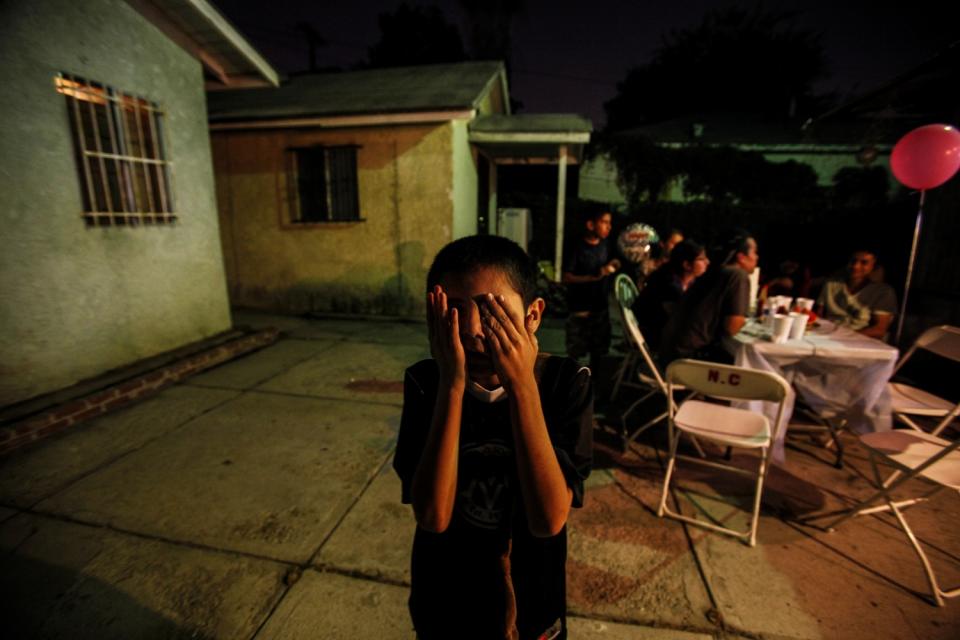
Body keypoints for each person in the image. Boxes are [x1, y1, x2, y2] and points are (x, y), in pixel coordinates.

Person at [393, 235, 593, 640]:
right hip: (445, 600)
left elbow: (549, 518)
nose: (472, 330)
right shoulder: (426, 382)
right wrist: (452, 382)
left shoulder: (564, 382)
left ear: (533, 315)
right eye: (454, 310)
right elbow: (432, 515)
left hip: (532, 604)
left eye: (490, 309)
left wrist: (521, 383)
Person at [659, 232, 759, 364]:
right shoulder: (737, 275)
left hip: (669, 352)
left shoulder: (713, 272)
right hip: (689, 360)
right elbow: (732, 327)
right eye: (754, 252)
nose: (757, 257)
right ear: (741, 257)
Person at [562, 210, 620, 365]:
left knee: (599, 353)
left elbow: (615, 261)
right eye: (604, 222)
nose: (608, 227)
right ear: (590, 225)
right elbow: (566, 277)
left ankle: (593, 386)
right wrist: (592, 277)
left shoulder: (606, 244)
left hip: (600, 308)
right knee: (575, 355)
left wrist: (612, 265)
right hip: (581, 308)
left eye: (610, 223)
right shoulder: (577, 247)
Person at [632, 239, 709, 350]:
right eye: (702, 259)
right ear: (687, 265)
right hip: (655, 338)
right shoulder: (667, 285)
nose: (707, 262)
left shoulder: (689, 282)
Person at [817, 249, 897, 340]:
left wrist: (844, 336)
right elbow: (818, 316)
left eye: (864, 263)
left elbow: (879, 330)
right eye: (853, 261)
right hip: (828, 336)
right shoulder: (831, 284)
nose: (856, 266)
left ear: (873, 266)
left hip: (860, 342)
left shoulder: (883, 292)